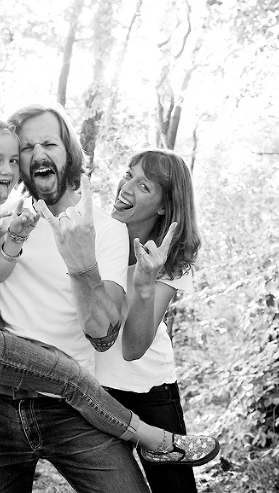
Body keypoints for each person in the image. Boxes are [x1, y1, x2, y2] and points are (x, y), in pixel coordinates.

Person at [0, 104, 218, 493]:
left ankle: (155, 440)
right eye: (25, 148)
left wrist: (82, 264)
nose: (38, 154)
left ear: (70, 153)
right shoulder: (0, 217)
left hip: (71, 410)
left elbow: (104, 337)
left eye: (50, 143)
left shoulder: (108, 230)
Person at [97, 148, 204, 492]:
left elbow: (133, 347)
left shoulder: (171, 258)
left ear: (163, 205)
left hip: (150, 389)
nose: (126, 187)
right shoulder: (93, 235)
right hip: (96, 389)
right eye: (129, 175)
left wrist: (144, 286)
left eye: (144, 186)